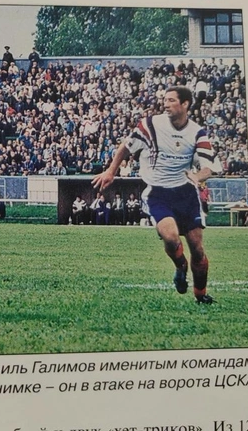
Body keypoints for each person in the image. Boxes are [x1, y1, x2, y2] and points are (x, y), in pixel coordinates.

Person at [92, 86, 221, 304]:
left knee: (198, 250)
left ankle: (201, 295)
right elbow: (126, 146)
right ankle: (181, 266)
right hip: (158, 192)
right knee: (170, 237)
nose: (165, 104)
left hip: (186, 194)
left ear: (185, 104)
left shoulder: (197, 132)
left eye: (171, 100)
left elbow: (209, 166)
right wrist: (111, 171)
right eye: (165, 100)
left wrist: (197, 176)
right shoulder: (151, 124)